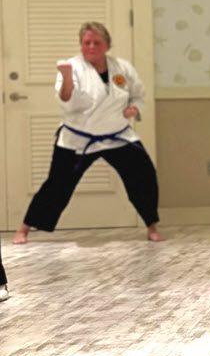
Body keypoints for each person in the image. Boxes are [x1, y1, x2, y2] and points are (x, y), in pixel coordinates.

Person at [13, 22, 162, 245]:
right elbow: (67, 101)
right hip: (78, 138)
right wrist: (67, 79)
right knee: (57, 184)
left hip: (117, 135)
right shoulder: (72, 66)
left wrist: (134, 108)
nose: (91, 47)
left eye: (96, 42)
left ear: (107, 45)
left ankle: (152, 226)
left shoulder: (122, 67)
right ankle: (24, 228)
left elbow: (138, 95)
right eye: (86, 43)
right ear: (81, 45)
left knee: (143, 175)